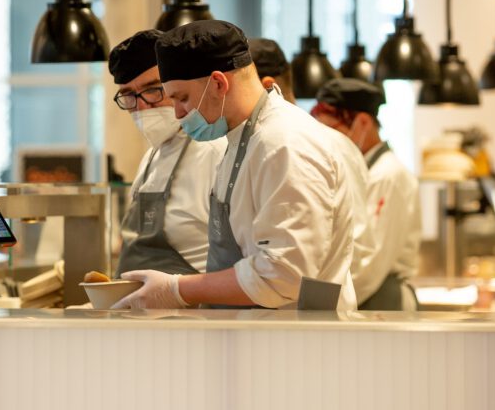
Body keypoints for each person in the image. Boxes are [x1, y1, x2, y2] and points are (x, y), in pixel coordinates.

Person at [114, 20, 357, 310]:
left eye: (182, 98)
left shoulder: (284, 144)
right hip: (259, 334)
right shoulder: (242, 139)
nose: (178, 112)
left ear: (218, 83)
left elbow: (284, 275)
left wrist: (178, 289)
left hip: (297, 341)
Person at [248, 38, 379, 310]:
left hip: (317, 323)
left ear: (267, 85)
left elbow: (358, 248)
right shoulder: (252, 144)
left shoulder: (323, 143)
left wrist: (314, 308)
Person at [108, 29, 226, 276]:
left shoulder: (214, 151)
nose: (141, 107)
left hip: (193, 310)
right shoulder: (150, 158)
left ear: (176, 87)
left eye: (153, 90)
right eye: (129, 96)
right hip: (138, 308)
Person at [313, 78, 421, 310]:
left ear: (363, 122)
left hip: (382, 297)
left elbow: (371, 265)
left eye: (332, 131)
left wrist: (326, 305)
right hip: (356, 294)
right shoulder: (360, 169)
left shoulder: (388, 175)